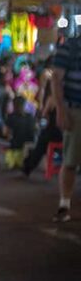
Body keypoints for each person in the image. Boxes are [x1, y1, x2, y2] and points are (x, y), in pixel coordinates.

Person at [52, 35, 81, 221]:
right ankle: (64, 204)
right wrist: (60, 110)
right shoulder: (70, 46)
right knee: (71, 160)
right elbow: (56, 77)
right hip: (75, 110)